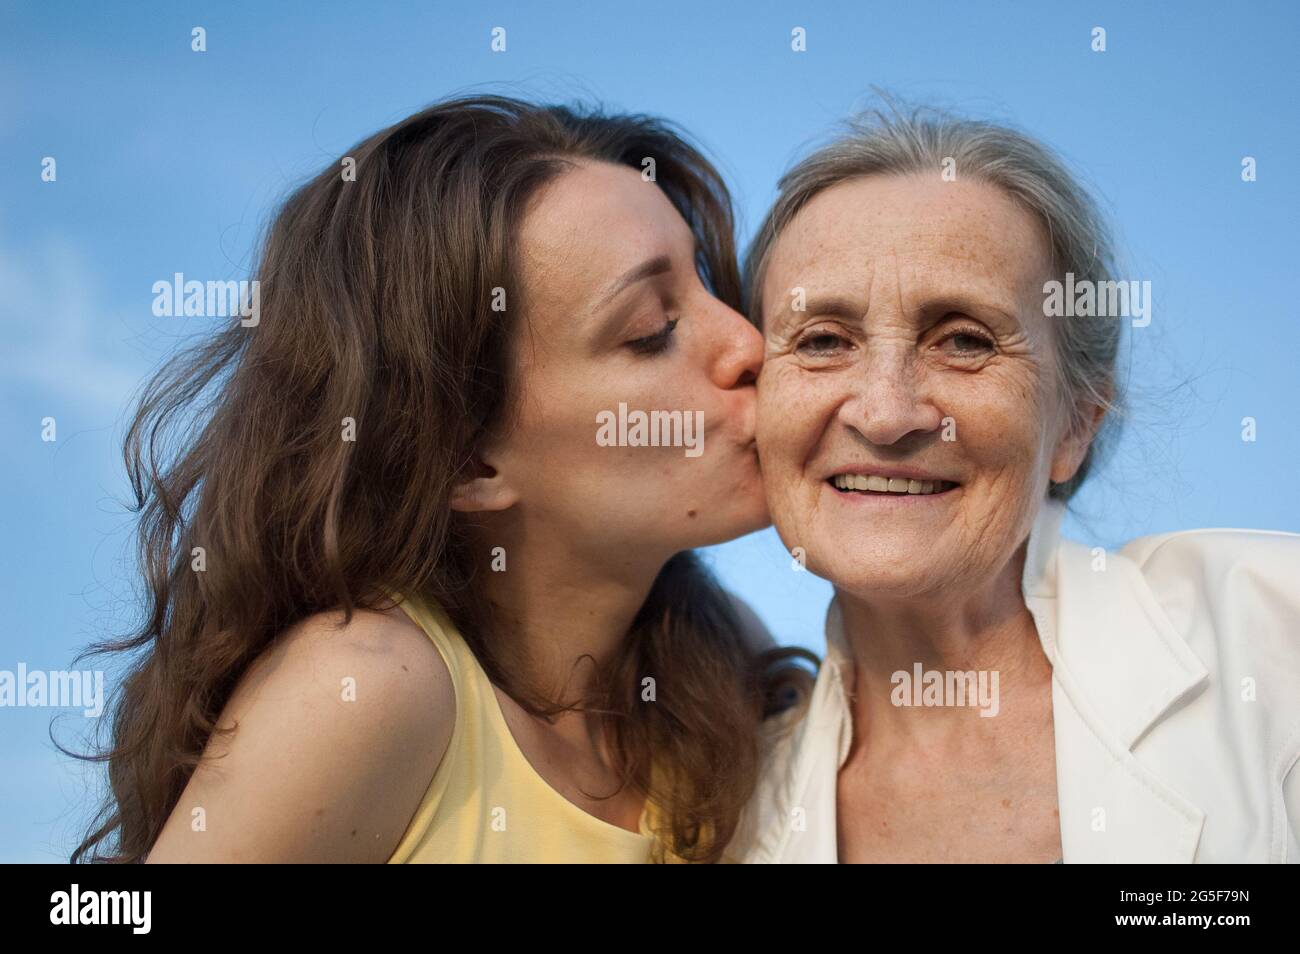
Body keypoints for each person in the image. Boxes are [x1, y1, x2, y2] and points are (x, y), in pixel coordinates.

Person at [71, 95, 810, 864]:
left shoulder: (722, 660)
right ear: (468, 461)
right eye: (650, 332)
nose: (751, 343)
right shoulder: (366, 690)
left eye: (704, 283)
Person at [729, 105, 1300, 863]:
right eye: (824, 341)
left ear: (1076, 425)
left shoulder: (1272, 634)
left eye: (964, 339)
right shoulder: (724, 815)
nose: (887, 412)